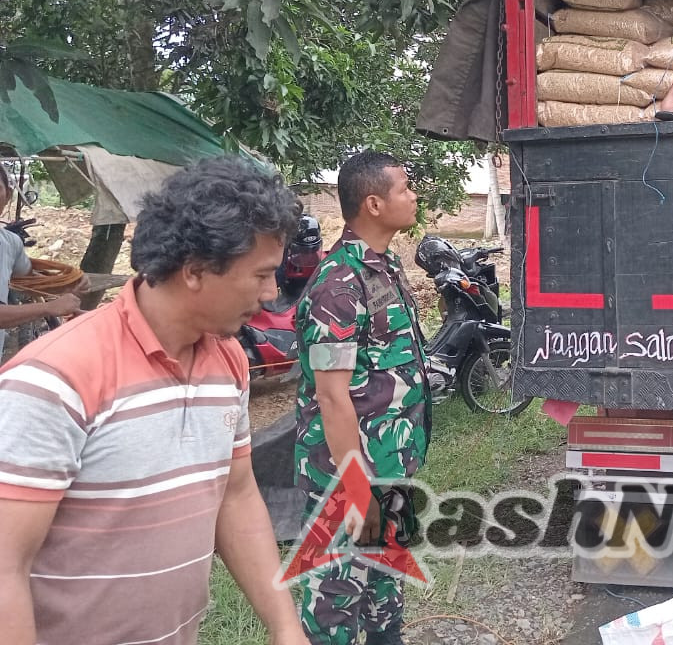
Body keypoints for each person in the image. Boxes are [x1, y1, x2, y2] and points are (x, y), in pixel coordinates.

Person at [0, 156, 308, 645]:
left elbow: (237, 494)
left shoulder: (227, 360)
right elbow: (5, 565)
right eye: (262, 274)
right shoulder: (54, 381)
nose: (272, 294)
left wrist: (286, 625)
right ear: (196, 271)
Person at [294, 151, 430, 645]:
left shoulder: (384, 267)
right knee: (335, 606)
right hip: (346, 477)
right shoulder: (338, 284)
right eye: (405, 188)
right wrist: (356, 491)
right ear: (373, 203)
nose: (414, 195)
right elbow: (332, 398)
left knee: (383, 600)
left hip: (386, 467)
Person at [0, 166, 81, 358]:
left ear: (8, 195)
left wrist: (69, 284)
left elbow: (29, 281)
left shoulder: (11, 242)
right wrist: (48, 307)